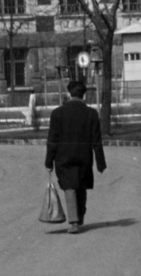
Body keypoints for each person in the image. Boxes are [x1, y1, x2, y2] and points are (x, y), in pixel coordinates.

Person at [45, 79, 107, 233]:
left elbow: (52, 140)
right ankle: (79, 217)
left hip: (63, 158)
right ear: (84, 95)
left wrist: (49, 161)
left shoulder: (57, 113)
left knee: (70, 188)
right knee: (81, 187)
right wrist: (100, 163)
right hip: (84, 158)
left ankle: (74, 222)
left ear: (68, 94)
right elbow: (96, 141)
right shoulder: (91, 114)